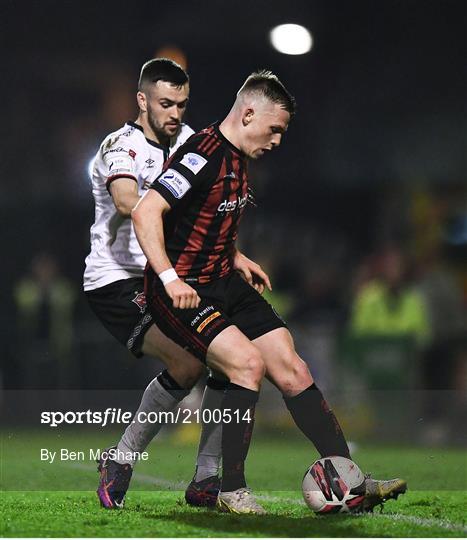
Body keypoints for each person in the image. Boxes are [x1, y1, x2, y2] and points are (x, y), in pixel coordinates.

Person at [132, 70, 407, 514]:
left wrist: (234, 255)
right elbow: (147, 211)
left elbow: (205, 217)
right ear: (248, 113)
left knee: (293, 369)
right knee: (246, 365)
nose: (277, 140)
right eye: (274, 129)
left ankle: (350, 479)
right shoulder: (202, 154)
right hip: (184, 290)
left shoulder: (240, 157)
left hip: (223, 281)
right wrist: (169, 279)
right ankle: (230, 489)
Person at [84, 58, 267, 509]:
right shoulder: (119, 146)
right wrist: (166, 198)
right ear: (142, 100)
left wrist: (232, 253)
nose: (175, 114)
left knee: (228, 360)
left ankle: (206, 478)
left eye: (182, 105)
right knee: (190, 362)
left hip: (172, 276)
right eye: (166, 103)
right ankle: (121, 459)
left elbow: (207, 210)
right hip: (118, 279)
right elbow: (130, 202)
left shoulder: (190, 143)